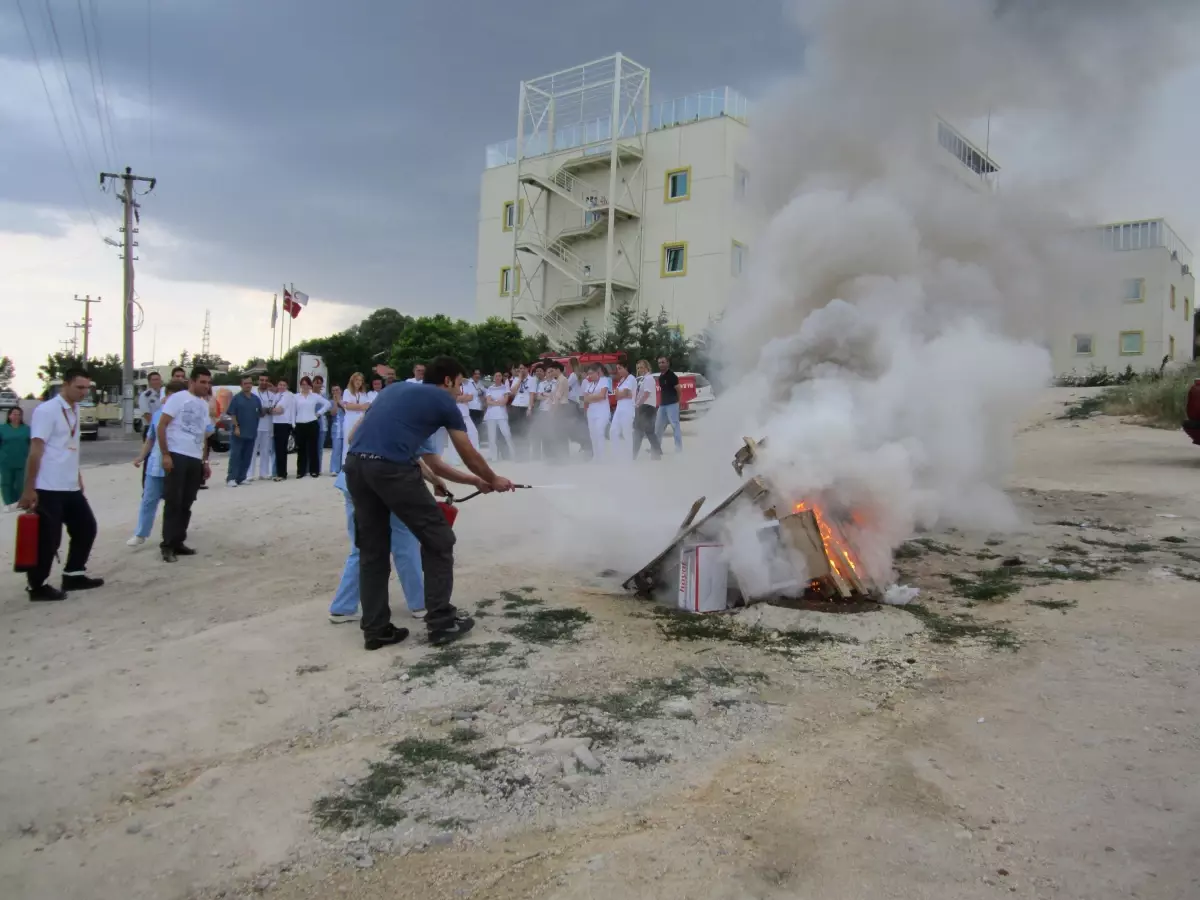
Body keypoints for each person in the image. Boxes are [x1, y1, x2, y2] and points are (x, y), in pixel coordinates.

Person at [344, 355, 514, 650]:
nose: (459, 391)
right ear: (447, 380)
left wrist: (475, 481)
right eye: (459, 384)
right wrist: (494, 477)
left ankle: (375, 629)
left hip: (356, 466)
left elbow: (357, 435)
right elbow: (467, 451)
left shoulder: (393, 391)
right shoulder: (442, 399)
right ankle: (442, 622)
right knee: (439, 538)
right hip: (392, 470)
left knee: (373, 550)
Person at [18, 368, 103, 600]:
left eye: (87, 388)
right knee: (49, 538)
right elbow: (35, 451)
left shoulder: (75, 410)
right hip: (48, 486)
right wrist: (29, 488)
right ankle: (37, 586)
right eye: (79, 387)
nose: (84, 392)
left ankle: (73, 574)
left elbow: (68, 448)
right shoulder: (47, 411)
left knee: (86, 527)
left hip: (69, 485)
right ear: (65, 384)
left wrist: (77, 475)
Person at [158, 366, 213, 562]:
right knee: (174, 500)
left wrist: (205, 461)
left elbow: (204, 434)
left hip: (194, 457)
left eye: (208, 383)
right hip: (177, 454)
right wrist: (165, 454)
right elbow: (162, 425)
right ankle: (167, 545)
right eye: (203, 382)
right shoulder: (178, 398)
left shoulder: (203, 404)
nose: (206, 386)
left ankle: (179, 541)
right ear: (192, 381)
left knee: (187, 501)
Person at [128, 380, 186, 545]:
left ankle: (172, 536)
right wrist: (141, 457)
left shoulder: (185, 415)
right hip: (156, 464)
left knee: (175, 503)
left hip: (176, 464)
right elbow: (151, 439)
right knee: (148, 500)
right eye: (169, 395)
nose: (170, 399)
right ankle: (141, 533)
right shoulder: (158, 415)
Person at [225, 376, 262, 486]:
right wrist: (236, 426)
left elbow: (260, 412)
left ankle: (242, 477)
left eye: (250, 383)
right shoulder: (237, 398)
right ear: (241, 385)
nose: (248, 385)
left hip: (251, 432)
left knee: (247, 456)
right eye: (245, 383)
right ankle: (231, 478)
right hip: (239, 432)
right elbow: (232, 413)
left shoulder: (256, 399)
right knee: (236, 455)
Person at [293, 376, 332, 478]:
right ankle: (301, 471)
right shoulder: (296, 396)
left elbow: (327, 404)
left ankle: (314, 471)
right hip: (300, 424)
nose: (305, 386)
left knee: (313, 448)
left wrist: (319, 413)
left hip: (312, 423)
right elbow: (292, 410)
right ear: (300, 385)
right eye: (303, 384)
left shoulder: (314, 396)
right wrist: (293, 423)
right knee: (301, 449)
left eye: (306, 384)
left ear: (310, 385)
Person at [1, 406, 32, 511]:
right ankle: (8, 503)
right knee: (6, 483)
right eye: (14, 414)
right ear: (9, 415)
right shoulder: (2, 428)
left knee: (21, 484)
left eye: (19, 414)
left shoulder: (26, 429)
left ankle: (20, 502)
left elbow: (32, 444)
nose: (16, 416)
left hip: (22, 461)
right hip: (6, 461)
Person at [633, 359, 663, 460]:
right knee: (647, 431)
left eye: (641, 367)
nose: (640, 369)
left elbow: (646, 394)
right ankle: (657, 452)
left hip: (647, 407)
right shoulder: (643, 379)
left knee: (640, 431)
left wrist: (638, 404)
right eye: (638, 368)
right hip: (645, 406)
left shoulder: (649, 378)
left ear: (646, 367)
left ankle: (634, 454)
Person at [581, 364, 612, 463]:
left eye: (591, 373)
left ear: (597, 373)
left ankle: (602, 457)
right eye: (588, 373)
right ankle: (595, 456)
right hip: (591, 411)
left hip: (602, 411)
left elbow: (602, 396)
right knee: (593, 434)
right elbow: (584, 398)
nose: (589, 375)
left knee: (599, 432)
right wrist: (594, 397)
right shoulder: (589, 384)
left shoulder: (604, 381)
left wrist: (591, 397)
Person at [250, 373, 277, 482]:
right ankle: (249, 473)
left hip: (267, 425)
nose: (264, 382)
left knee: (265, 450)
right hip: (255, 425)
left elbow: (274, 408)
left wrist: (268, 410)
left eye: (266, 380)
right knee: (252, 450)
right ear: (258, 381)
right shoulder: (252, 393)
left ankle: (264, 473)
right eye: (261, 380)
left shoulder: (271, 395)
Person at [483, 371, 515, 462]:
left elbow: (504, 401)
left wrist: (494, 401)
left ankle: (513, 454)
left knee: (507, 434)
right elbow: (488, 401)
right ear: (494, 378)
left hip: (501, 415)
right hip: (491, 415)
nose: (497, 377)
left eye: (499, 376)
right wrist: (497, 402)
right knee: (491, 437)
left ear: (501, 377)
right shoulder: (490, 388)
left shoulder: (505, 388)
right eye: (496, 376)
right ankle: (493, 457)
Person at [609, 361, 637, 460]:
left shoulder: (631, 378)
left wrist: (620, 394)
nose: (618, 371)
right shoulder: (621, 380)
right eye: (617, 369)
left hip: (628, 408)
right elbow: (617, 396)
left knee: (626, 433)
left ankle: (629, 456)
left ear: (626, 367)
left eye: (620, 368)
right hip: (619, 408)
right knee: (613, 431)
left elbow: (625, 394)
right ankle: (617, 454)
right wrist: (621, 394)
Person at [269, 378, 296, 481]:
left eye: (284, 385)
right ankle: (279, 472)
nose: (281, 387)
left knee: (281, 449)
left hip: (283, 424)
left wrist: (270, 410)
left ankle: (282, 473)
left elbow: (279, 410)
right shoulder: (277, 395)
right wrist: (272, 410)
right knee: (278, 449)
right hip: (277, 423)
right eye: (280, 385)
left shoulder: (287, 396)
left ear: (287, 387)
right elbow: (274, 409)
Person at [655, 356, 682, 453]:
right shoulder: (661, 377)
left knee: (675, 426)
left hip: (672, 404)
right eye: (659, 363)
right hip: (662, 405)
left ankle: (679, 449)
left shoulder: (672, 376)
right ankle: (657, 448)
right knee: (658, 427)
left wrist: (678, 401)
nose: (661, 364)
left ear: (667, 363)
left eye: (663, 362)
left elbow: (678, 389)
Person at [312, 375, 329, 475]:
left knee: (319, 448)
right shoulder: (309, 395)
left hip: (322, 425)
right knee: (310, 447)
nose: (318, 384)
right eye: (316, 382)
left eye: (320, 382)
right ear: (312, 383)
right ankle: (308, 468)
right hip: (311, 424)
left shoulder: (324, 396)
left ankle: (317, 469)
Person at [329, 385, 345, 476]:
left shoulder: (346, 400)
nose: (335, 392)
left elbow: (346, 410)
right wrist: (335, 402)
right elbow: (333, 413)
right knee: (336, 448)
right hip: (336, 428)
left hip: (345, 426)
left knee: (345, 448)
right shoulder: (331, 402)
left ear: (341, 390)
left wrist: (340, 401)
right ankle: (334, 469)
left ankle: (343, 467)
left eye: (337, 390)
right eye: (333, 390)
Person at [466, 369, 485, 434]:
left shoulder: (481, 384)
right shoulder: (468, 382)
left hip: (480, 409)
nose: (477, 375)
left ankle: (477, 442)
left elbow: (484, 394)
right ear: (472, 375)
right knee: (471, 428)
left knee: (478, 428)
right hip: (471, 408)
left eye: (479, 374)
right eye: (476, 374)